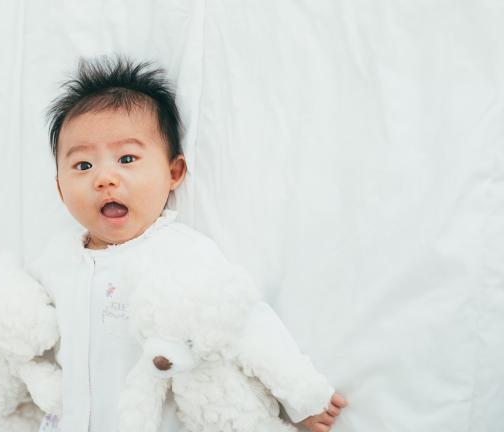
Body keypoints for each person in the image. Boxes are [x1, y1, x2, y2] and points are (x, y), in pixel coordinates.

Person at [27, 56, 347, 432]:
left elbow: (246, 322)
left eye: (127, 158)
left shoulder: (180, 253)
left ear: (173, 173)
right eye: (83, 166)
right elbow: (27, 328)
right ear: (61, 190)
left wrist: (302, 397)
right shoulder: (54, 261)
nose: (105, 179)